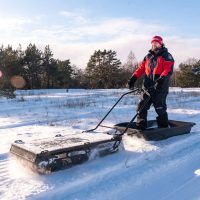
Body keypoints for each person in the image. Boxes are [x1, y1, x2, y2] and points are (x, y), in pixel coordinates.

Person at [128, 36, 174, 130]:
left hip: (160, 87)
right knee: (141, 107)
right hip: (147, 86)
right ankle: (141, 126)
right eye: (153, 43)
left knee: (159, 108)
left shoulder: (166, 55)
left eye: (156, 43)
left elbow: (168, 69)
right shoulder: (148, 56)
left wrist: (161, 79)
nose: (154, 45)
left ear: (160, 44)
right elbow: (141, 69)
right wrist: (133, 78)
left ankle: (163, 127)